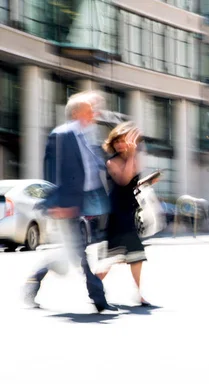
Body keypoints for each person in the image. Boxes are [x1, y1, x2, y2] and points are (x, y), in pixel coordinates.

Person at [24, 91, 117, 313]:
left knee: (70, 254)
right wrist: (58, 203)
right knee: (80, 253)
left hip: (85, 202)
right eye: (88, 111)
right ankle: (99, 300)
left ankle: (32, 284)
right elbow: (53, 171)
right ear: (77, 113)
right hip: (67, 204)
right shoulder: (62, 134)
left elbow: (93, 168)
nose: (93, 114)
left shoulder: (87, 136)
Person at [95, 122, 151, 306]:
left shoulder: (131, 159)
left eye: (123, 140)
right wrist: (132, 154)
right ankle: (93, 288)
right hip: (116, 213)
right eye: (117, 141)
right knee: (111, 257)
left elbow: (132, 183)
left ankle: (138, 294)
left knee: (136, 254)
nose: (120, 144)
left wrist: (147, 182)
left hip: (129, 210)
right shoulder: (112, 161)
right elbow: (124, 179)